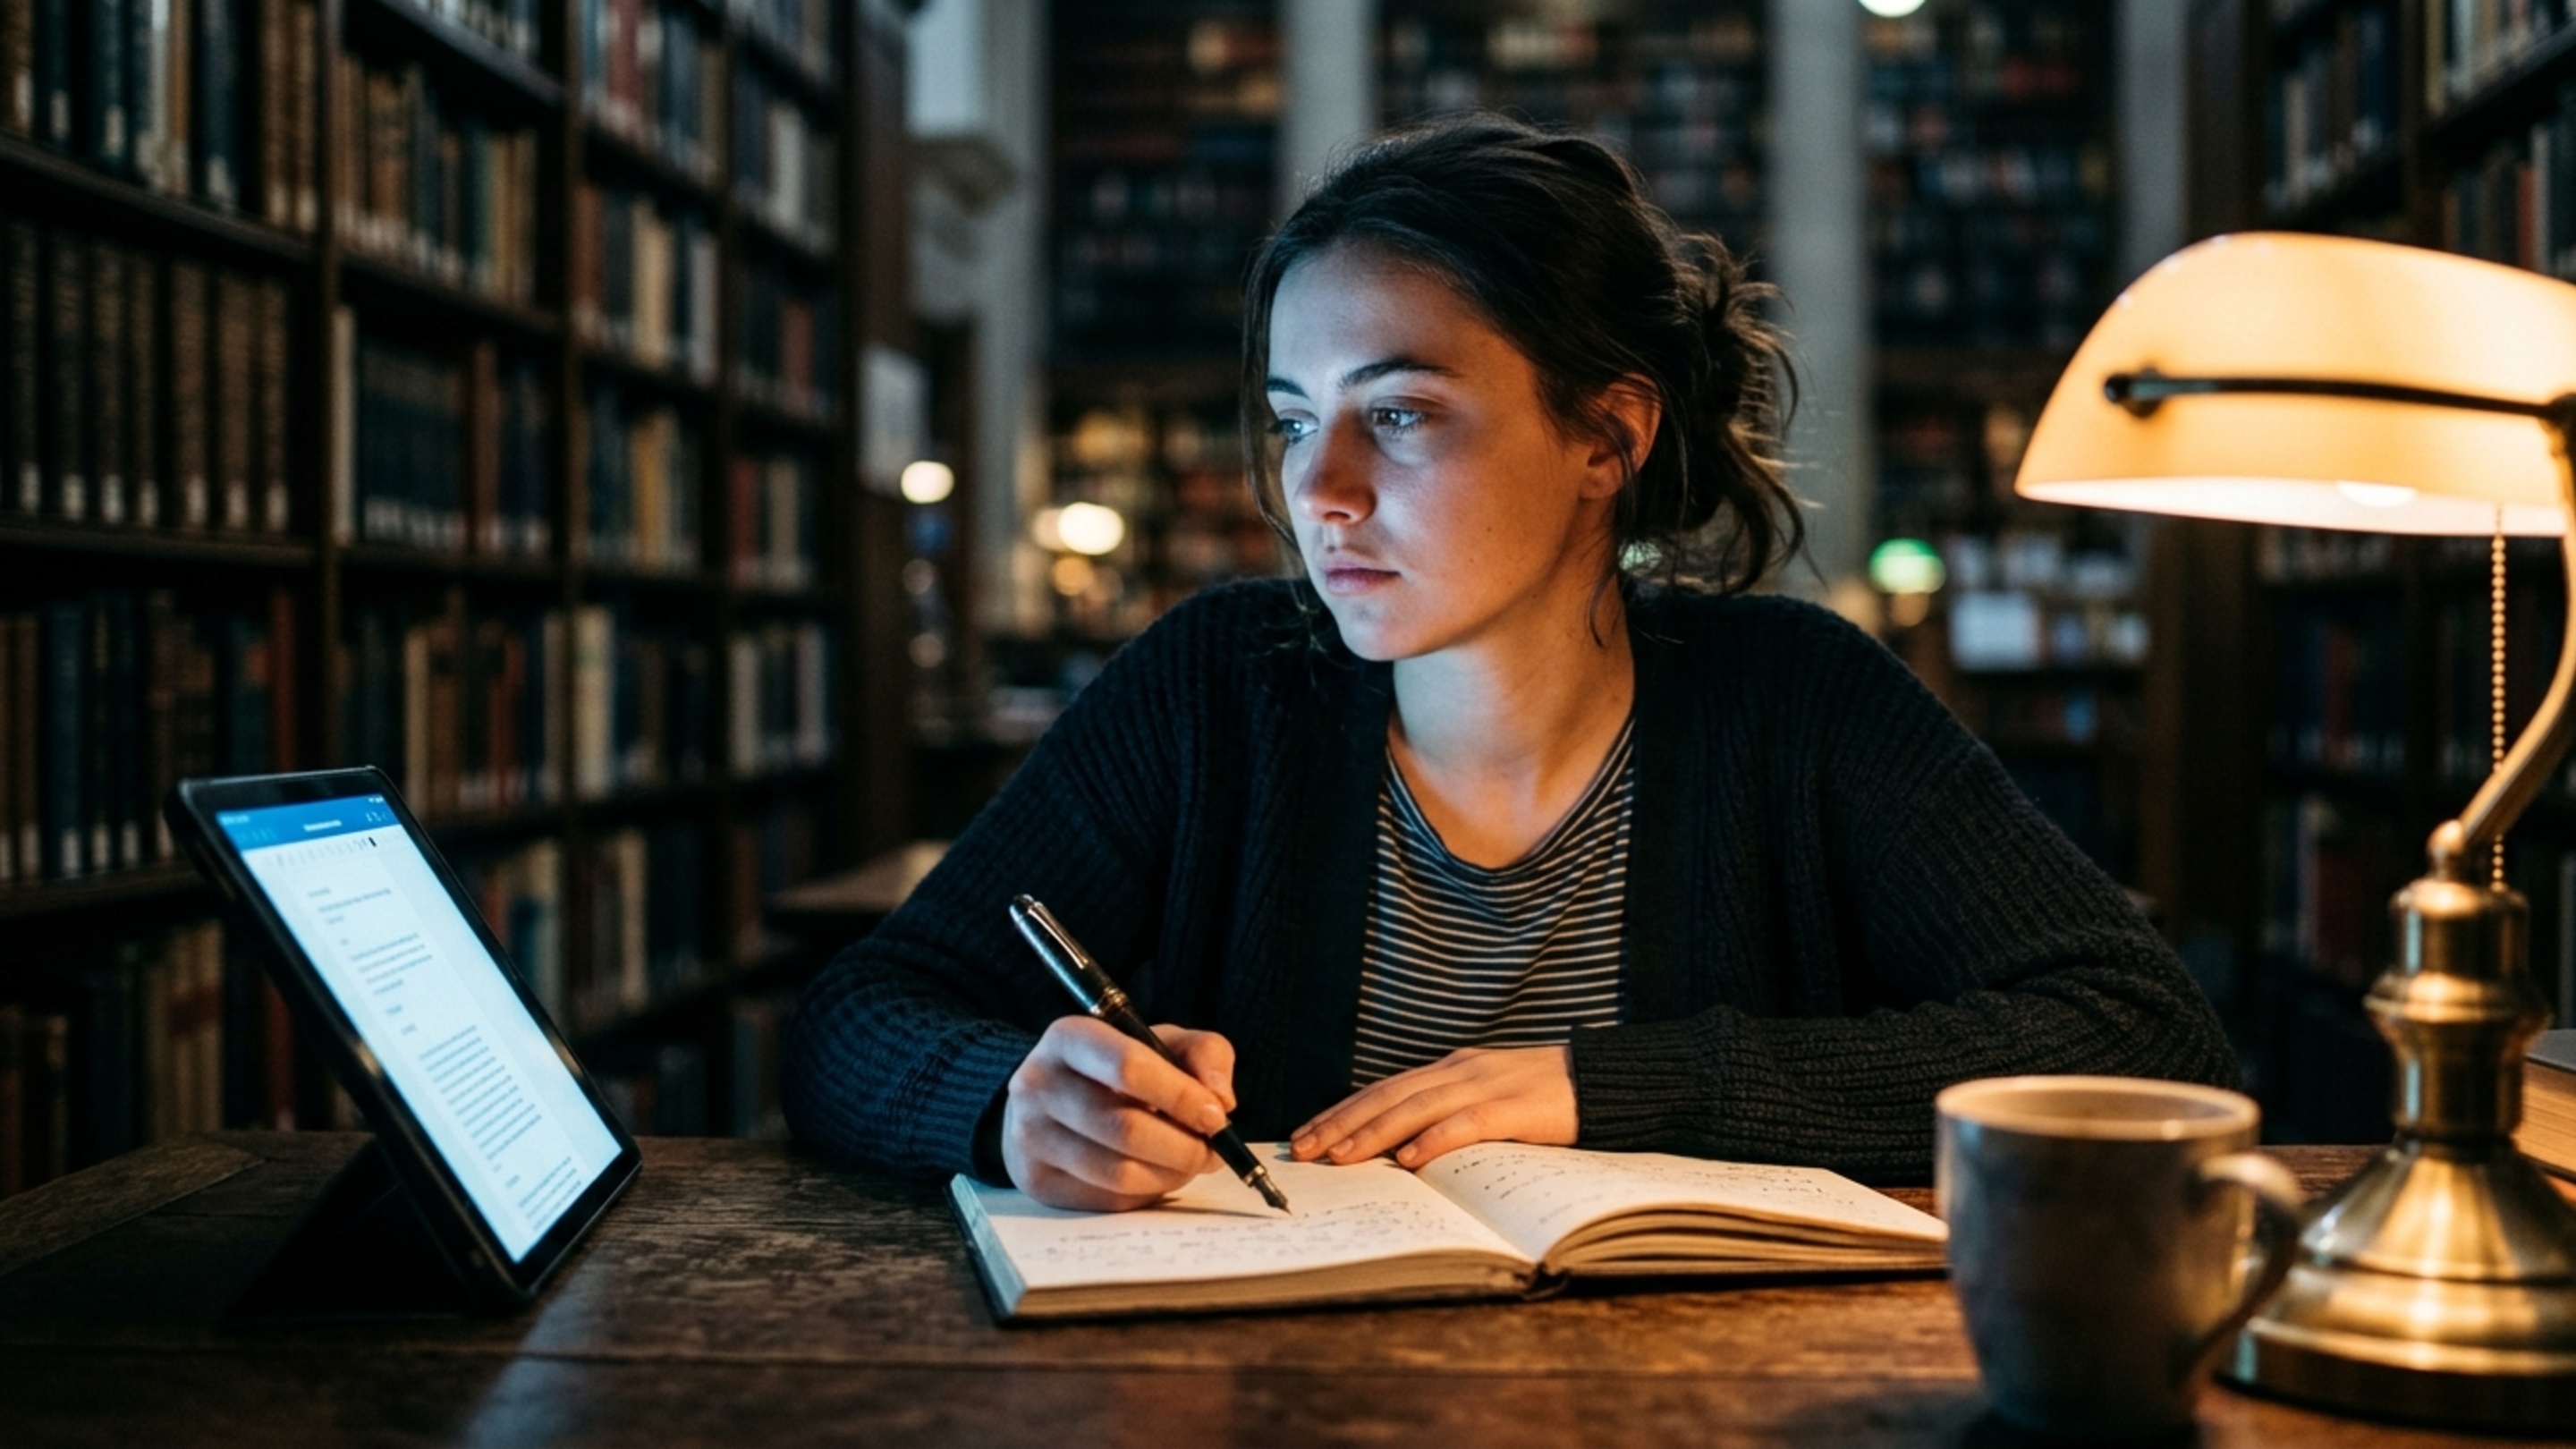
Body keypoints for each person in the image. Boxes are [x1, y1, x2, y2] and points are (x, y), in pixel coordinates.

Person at [781, 114, 2236, 1211]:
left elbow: (2148, 1042)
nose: (1321, 488)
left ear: (1605, 438)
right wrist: (1008, 1103)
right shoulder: (1218, 684)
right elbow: (860, 1010)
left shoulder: (1796, 699)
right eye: (1295, 419)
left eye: (1400, 415)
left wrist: (1601, 1089)